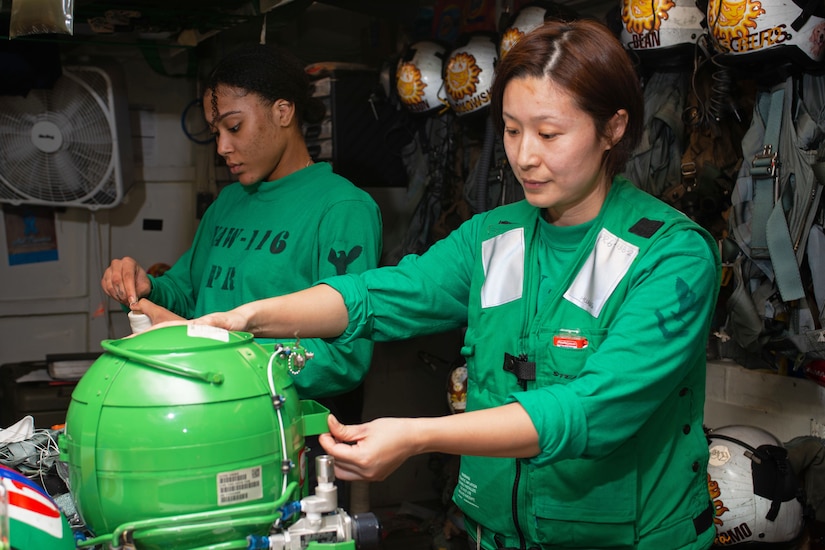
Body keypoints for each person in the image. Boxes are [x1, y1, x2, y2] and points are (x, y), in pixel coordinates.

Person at [189, 20, 721, 550]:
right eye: (511, 130)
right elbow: (378, 295)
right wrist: (249, 318)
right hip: (492, 533)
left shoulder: (672, 254)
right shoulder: (496, 235)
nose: (524, 156)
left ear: (613, 128)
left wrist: (417, 436)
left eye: (549, 133)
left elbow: (591, 408)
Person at [100, 42, 383, 405]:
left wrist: (218, 352)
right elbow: (187, 294)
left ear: (283, 111)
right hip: (209, 407)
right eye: (216, 132)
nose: (222, 147)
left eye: (234, 126)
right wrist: (144, 289)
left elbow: (344, 360)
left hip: (289, 431)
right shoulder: (230, 201)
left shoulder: (343, 208)